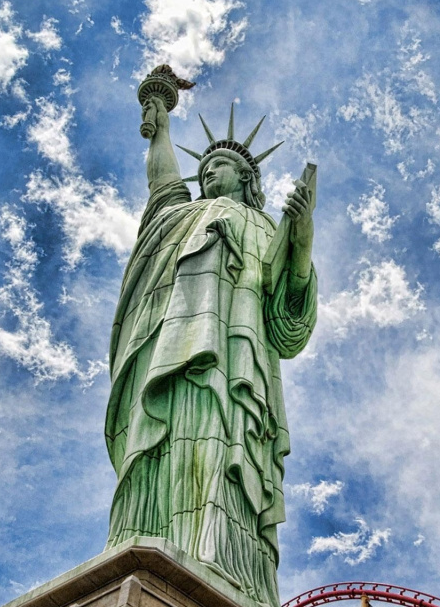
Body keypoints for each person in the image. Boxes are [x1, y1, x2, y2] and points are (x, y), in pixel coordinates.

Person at [105, 75, 317, 607]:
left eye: (218, 167)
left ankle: (224, 562)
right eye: (202, 169)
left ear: (247, 178)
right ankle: (151, 539)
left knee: (225, 454)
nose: (207, 174)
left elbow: (287, 318)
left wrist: (301, 237)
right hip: (167, 354)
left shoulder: (262, 226)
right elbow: (162, 179)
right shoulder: (178, 215)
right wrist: (160, 114)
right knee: (161, 450)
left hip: (233, 361)